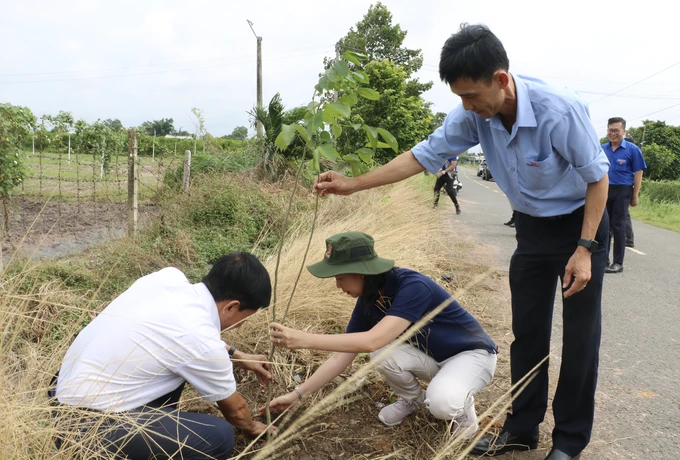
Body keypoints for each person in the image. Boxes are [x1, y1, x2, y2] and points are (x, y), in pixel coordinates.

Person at [312, 24, 610, 460]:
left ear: (501, 79)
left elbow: (598, 179)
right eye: (460, 98)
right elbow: (421, 156)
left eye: (472, 95)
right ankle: (522, 428)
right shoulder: (473, 113)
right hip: (531, 228)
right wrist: (354, 184)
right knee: (528, 333)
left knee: (581, 338)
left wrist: (584, 249)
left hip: (580, 224)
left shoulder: (557, 111)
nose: (467, 107)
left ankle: (569, 440)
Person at [264, 231, 497, 438]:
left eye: (340, 277)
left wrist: (303, 339)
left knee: (442, 403)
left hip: (471, 357)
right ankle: (413, 400)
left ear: (360, 273)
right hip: (434, 359)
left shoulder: (413, 287)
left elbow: (373, 339)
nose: (337, 285)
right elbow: (341, 357)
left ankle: (462, 402)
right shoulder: (369, 300)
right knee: (381, 353)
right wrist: (297, 394)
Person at [53, 252, 274, 459]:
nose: (242, 324)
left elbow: (182, 335)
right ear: (232, 307)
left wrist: (235, 354)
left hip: (60, 397)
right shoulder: (199, 340)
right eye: (246, 316)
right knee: (220, 436)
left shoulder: (167, 278)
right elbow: (235, 411)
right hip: (87, 430)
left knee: (174, 369)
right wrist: (252, 426)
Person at [602, 119, 646, 273]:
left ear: (624, 131)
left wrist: (635, 195)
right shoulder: (602, 149)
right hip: (604, 190)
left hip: (623, 190)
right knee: (604, 226)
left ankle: (618, 263)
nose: (613, 133)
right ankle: (604, 260)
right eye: (610, 130)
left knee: (618, 225)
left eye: (616, 130)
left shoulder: (632, 150)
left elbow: (638, 172)